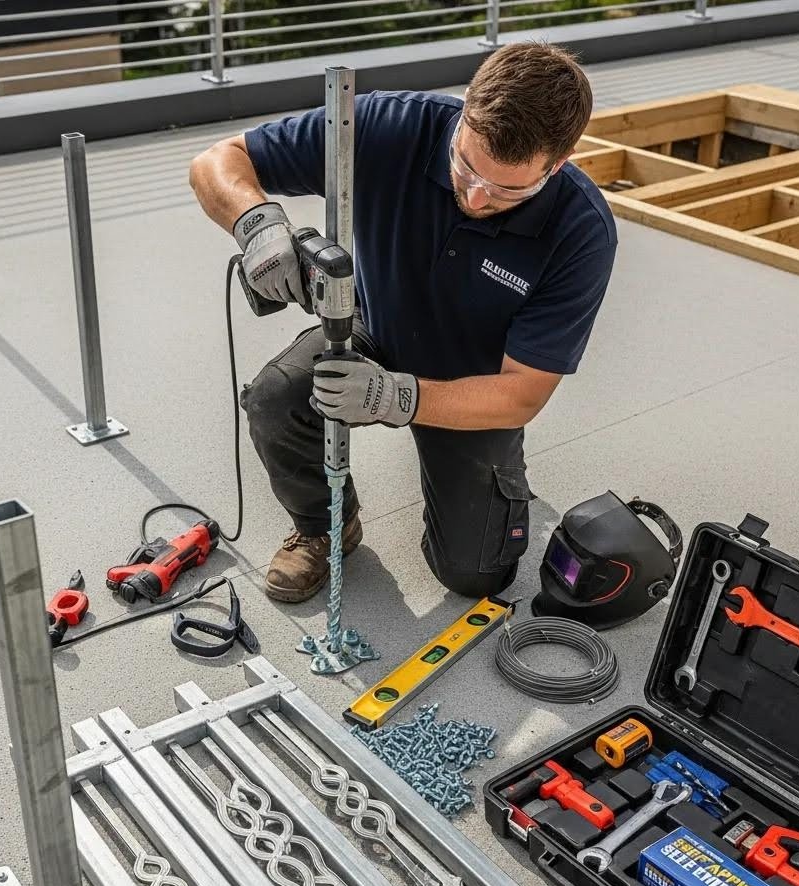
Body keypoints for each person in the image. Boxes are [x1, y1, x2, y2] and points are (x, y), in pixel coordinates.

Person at [189, 41, 616, 604]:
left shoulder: (580, 232)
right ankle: (326, 525)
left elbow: (522, 394)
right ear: (464, 114)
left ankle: (501, 488)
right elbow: (216, 162)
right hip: (376, 325)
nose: (476, 195)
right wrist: (256, 224)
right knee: (275, 398)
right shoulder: (390, 126)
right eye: (466, 166)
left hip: (474, 386)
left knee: (475, 575)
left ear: (557, 163)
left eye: (508, 189)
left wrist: (400, 399)